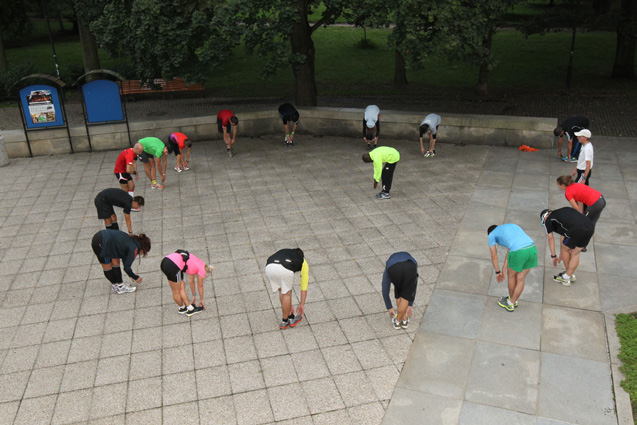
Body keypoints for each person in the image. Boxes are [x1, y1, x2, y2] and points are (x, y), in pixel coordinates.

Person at [487, 224, 538, 312]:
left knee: (511, 276)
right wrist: (504, 268)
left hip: (519, 252)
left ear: (490, 232)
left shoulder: (492, 234)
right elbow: (509, 250)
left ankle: (511, 303)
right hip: (532, 249)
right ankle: (513, 300)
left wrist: (498, 272)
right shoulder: (510, 227)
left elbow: (494, 256)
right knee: (520, 278)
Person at [541, 208, 594, 287]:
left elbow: (550, 238)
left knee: (565, 249)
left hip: (576, 229)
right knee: (575, 253)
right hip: (590, 227)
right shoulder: (562, 212)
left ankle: (566, 277)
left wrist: (554, 256)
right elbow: (563, 235)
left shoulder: (549, 219)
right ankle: (569, 274)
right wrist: (561, 253)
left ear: (544, 217)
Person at [91, 229, 151, 294]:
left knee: (116, 262)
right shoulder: (134, 248)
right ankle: (119, 287)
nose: (141, 254)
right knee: (107, 266)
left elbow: (125, 259)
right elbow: (126, 267)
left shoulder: (132, 241)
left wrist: (129, 274)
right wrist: (135, 277)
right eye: (144, 252)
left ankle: (117, 285)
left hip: (101, 237)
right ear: (142, 249)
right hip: (103, 244)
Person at [161, 250, 214, 317]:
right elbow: (200, 286)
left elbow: (191, 282)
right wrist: (201, 299)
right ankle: (189, 309)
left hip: (165, 261)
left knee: (182, 285)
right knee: (176, 291)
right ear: (206, 272)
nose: (202, 277)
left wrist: (194, 296)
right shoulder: (202, 270)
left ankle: (183, 308)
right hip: (173, 266)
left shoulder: (199, 263)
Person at [265, 248, 308, 329]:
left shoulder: (286, 253)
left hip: (269, 267)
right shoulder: (303, 261)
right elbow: (304, 286)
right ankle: (285, 321)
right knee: (287, 294)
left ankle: (290, 315)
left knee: (282, 291)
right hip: (284, 268)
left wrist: (288, 305)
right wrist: (302, 304)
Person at [382, 252, 418, 329]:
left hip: (394, 269)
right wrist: (410, 303)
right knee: (405, 296)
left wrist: (389, 307)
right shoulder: (412, 261)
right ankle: (404, 320)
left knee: (398, 292)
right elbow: (414, 286)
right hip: (411, 267)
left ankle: (397, 321)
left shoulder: (388, 266)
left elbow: (385, 289)